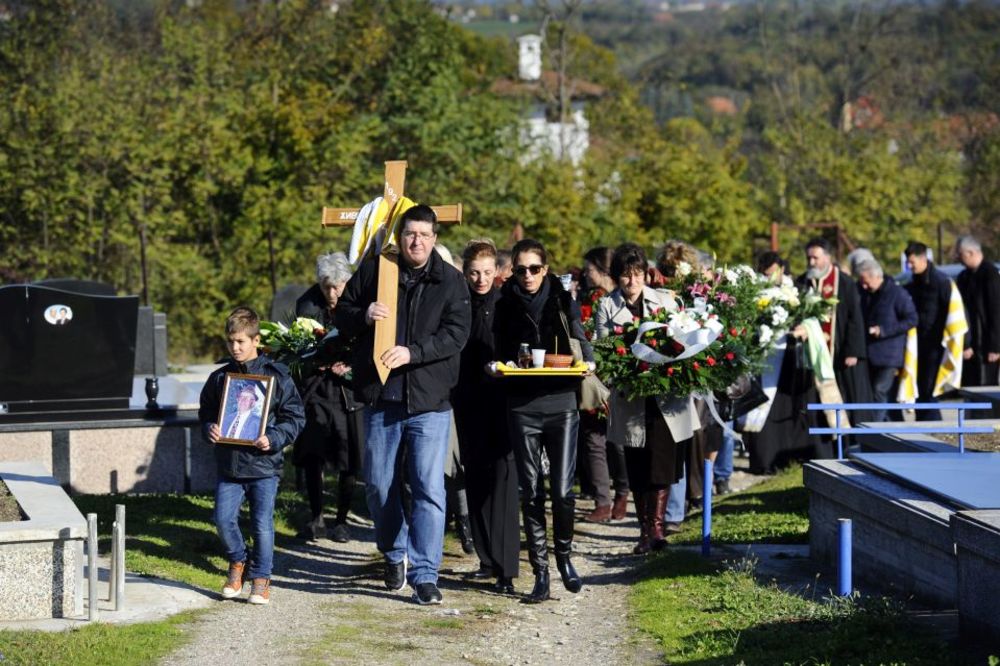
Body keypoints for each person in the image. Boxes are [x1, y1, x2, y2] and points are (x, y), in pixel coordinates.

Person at [335, 205, 471, 606]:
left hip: (430, 401)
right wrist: (364, 314)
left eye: (425, 235)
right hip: (382, 397)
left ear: (435, 239)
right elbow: (342, 313)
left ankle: (426, 575)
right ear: (400, 236)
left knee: (429, 488)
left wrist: (413, 353)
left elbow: (456, 335)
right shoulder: (379, 269)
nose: (417, 242)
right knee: (378, 485)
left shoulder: (451, 281)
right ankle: (394, 552)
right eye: (410, 234)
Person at [493, 238, 593, 603]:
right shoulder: (505, 305)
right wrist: (497, 366)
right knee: (530, 490)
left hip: (561, 400)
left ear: (545, 270)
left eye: (534, 269)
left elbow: (580, 337)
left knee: (563, 491)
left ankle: (564, 556)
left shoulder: (562, 298)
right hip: (522, 404)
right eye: (521, 270)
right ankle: (540, 573)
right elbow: (497, 350)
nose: (528, 276)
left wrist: (590, 362)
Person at [596, 242, 700, 554]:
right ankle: (644, 530)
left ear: (646, 274)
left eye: (638, 274)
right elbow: (604, 351)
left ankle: (657, 528)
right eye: (626, 276)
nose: (632, 281)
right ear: (617, 277)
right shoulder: (606, 306)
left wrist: (665, 366)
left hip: (665, 396)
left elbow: (679, 340)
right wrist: (628, 368)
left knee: (663, 463)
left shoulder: (665, 301)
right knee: (638, 464)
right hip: (631, 396)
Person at [198, 306, 305, 605]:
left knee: (262, 524)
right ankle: (238, 561)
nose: (235, 347)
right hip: (229, 465)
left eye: (241, 342)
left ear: (256, 340)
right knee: (222, 518)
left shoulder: (277, 377)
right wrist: (209, 427)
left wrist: (273, 438)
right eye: (231, 341)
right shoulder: (220, 379)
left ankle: (261, 578)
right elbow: (206, 411)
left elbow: (295, 417)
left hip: (263, 465)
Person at [452, 239, 520, 594]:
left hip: (502, 400)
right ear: (465, 272)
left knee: (504, 482)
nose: (480, 279)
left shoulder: (506, 304)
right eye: (474, 272)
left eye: (487, 272)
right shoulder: (458, 303)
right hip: (467, 399)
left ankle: (507, 566)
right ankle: (486, 559)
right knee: (476, 478)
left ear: (497, 272)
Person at [293, 252, 364, 542]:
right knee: (314, 453)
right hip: (318, 389)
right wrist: (318, 362)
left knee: (349, 454)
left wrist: (351, 366)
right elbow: (300, 349)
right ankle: (316, 516)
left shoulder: (359, 301)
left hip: (348, 392)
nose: (332, 293)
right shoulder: (308, 305)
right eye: (326, 287)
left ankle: (343, 520)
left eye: (337, 286)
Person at [796, 238, 874, 451]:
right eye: (809, 257)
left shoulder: (845, 283)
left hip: (840, 356)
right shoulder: (802, 283)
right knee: (817, 405)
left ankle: (851, 446)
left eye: (816, 257)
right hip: (814, 358)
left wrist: (853, 351)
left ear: (828, 258)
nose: (811, 262)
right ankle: (824, 451)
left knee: (846, 401)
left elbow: (855, 319)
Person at [742, 252, 815, 474]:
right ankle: (764, 460)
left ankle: (788, 457)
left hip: (789, 355)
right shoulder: (753, 290)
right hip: (763, 357)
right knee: (763, 408)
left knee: (786, 406)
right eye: (765, 273)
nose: (768, 277)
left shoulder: (795, 290)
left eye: (772, 272)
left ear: (782, 269)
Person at [579, 246, 629, 523]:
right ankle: (602, 499)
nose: (586, 275)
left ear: (601, 270)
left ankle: (622, 491)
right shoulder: (585, 299)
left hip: (615, 376)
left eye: (589, 269)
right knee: (593, 439)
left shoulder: (617, 301)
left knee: (617, 441)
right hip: (590, 375)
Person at [855, 258, 918, 422]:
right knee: (882, 396)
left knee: (879, 391)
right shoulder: (866, 294)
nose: (864, 286)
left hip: (890, 355)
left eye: (866, 282)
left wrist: (883, 331)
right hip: (870, 354)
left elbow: (912, 319)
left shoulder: (897, 293)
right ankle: (893, 429)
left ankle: (874, 431)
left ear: (876, 276)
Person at [903, 242, 954, 420]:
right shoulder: (911, 284)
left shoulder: (941, 282)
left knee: (929, 389)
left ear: (923, 258)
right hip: (917, 345)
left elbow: (955, 312)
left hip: (935, 344)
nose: (909, 266)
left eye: (912, 262)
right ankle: (923, 424)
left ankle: (934, 427)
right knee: (919, 388)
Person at [955, 235, 1000, 387]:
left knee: (986, 388)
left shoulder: (990, 275)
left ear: (971, 253)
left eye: (960, 254)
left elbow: (995, 312)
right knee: (970, 388)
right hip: (970, 343)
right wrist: (964, 344)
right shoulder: (963, 277)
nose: (958, 258)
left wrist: (995, 346)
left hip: (986, 345)